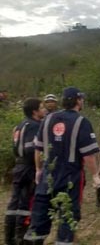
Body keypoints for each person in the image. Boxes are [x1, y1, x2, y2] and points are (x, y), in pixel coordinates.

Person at [23, 87, 100, 245]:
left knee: (38, 220)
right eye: (82, 99)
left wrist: (38, 170)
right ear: (78, 101)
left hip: (47, 176)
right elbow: (88, 155)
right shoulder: (81, 122)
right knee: (68, 219)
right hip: (70, 178)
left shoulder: (47, 119)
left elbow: (38, 148)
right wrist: (95, 175)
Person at [4, 98, 46, 245]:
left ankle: (9, 238)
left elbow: (15, 148)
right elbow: (32, 148)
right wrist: (40, 165)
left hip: (18, 166)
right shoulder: (35, 126)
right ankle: (21, 238)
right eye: (41, 107)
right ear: (35, 111)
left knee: (14, 203)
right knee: (27, 203)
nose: (44, 110)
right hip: (28, 167)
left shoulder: (19, 126)